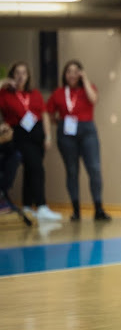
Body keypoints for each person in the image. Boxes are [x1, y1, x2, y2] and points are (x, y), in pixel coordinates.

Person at [46, 61, 111, 222]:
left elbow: (93, 99)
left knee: (94, 169)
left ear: (81, 73)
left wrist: (85, 79)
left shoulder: (88, 87)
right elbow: (47, 112)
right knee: (72, 171)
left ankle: (98, 209)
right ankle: (76, 210)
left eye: (76, 71)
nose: (72, 75)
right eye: (69, 71)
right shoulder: (59, 92)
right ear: (64, 74)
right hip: (66, 134)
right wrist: (57, 124)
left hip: (87, 131)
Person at [0, 62, 61, 221]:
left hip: (37, 133)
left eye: (24, 73)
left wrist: (48, 136)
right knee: (37, 169)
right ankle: (41, 205)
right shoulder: (5, 94)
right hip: (19, 134)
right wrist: (4, 82)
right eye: (17, 73)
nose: (20, 76)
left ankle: (27, 206)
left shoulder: (34, 93)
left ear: (28, 76)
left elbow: (44, 114)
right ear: (12, 75)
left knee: (31, 171)